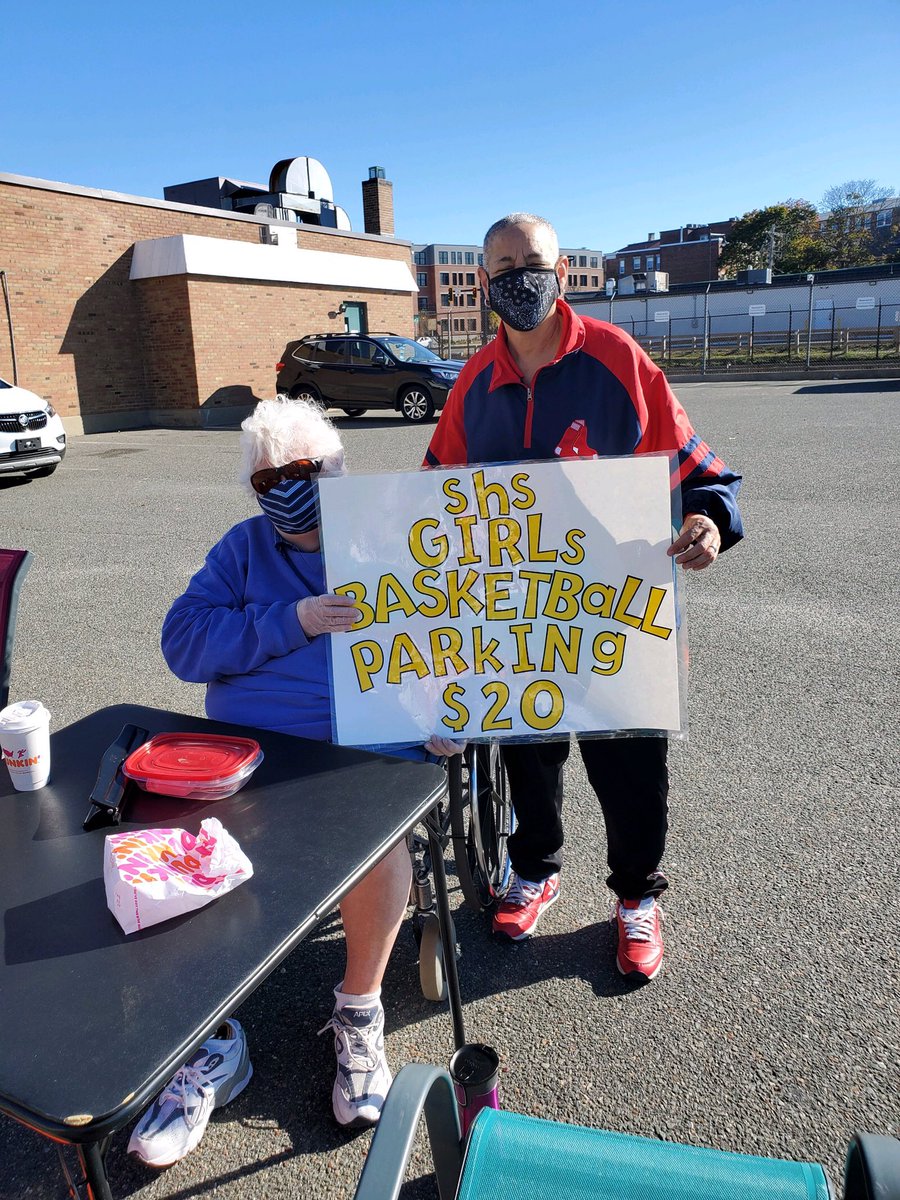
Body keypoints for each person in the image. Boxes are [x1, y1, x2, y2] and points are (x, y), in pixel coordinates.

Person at [128, 397, 462, 1169]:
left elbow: (457, 638)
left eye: (305, 471)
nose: (285, 487)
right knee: (179, 843)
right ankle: (208, 1042)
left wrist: (453, 712)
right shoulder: (242, 552)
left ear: (341, 470)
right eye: (268, 478)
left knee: (375, 846)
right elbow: (183, 645)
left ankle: (359, 1012)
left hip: (369, 748)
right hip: (256, 748)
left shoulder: (395, 542)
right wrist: (295, 619)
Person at [423, 213, 744, 983]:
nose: (516, 278)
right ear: (484, 283)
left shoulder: (616, 361)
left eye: (529, 262)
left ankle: (636, 896)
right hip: (520, 623)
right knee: (528, 755)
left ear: (560, 274)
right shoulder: (473, 384)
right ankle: (534, 869)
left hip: (617, 616)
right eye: (500, 267)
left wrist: (708, 522)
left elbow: (708, 477)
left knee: (629, 769)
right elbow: (433, 496)